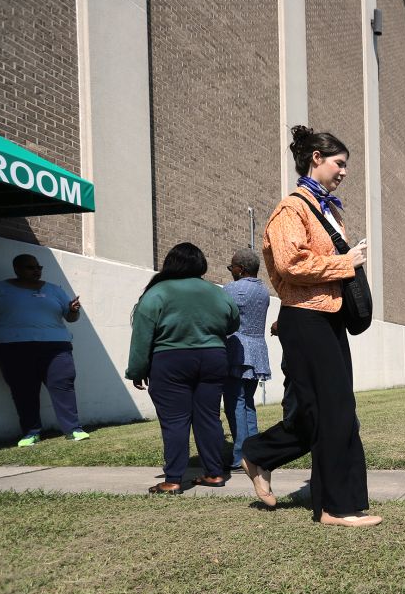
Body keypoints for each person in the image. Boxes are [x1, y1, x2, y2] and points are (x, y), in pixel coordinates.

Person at [239, 125, 380, 527]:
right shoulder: (292, 208)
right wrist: (346, 261)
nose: (345, 171)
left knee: (325, 412)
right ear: (315, 159)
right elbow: (289, 263)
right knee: (334, 412)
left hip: (328, 318)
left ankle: (260, 455)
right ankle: (335, 507)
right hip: (305, 318)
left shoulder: (327, 209)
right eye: (340, 162)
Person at [126, 243, 239, 494]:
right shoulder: (217, 292)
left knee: (175, 420)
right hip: (213, 357)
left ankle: (174, 479)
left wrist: (137, 370)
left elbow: (143, 334)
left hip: (171, 360)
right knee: (208, 417)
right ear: (201, 265)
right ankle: (214, 473)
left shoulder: (157, 292)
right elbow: (232, 323)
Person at [0, 254, 90, 446]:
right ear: (16, 269)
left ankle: (74, 429)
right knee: (23, 389)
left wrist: (74, 310)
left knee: (63, 384)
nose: (36, 271)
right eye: (30, 267)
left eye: (38, 267)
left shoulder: (54, 290)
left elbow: (70, 318)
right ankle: (31, 432)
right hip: (12, 347)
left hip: (55, 345)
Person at [222, 248, 271, 471]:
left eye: (232, 267)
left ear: (240, 269)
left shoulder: (232, 289)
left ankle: (240, 457)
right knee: (247, 403)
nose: (231, 271)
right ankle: (255, 454)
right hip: (258, 349)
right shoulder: (263, 290)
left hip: (237, 350)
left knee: (235, 403)